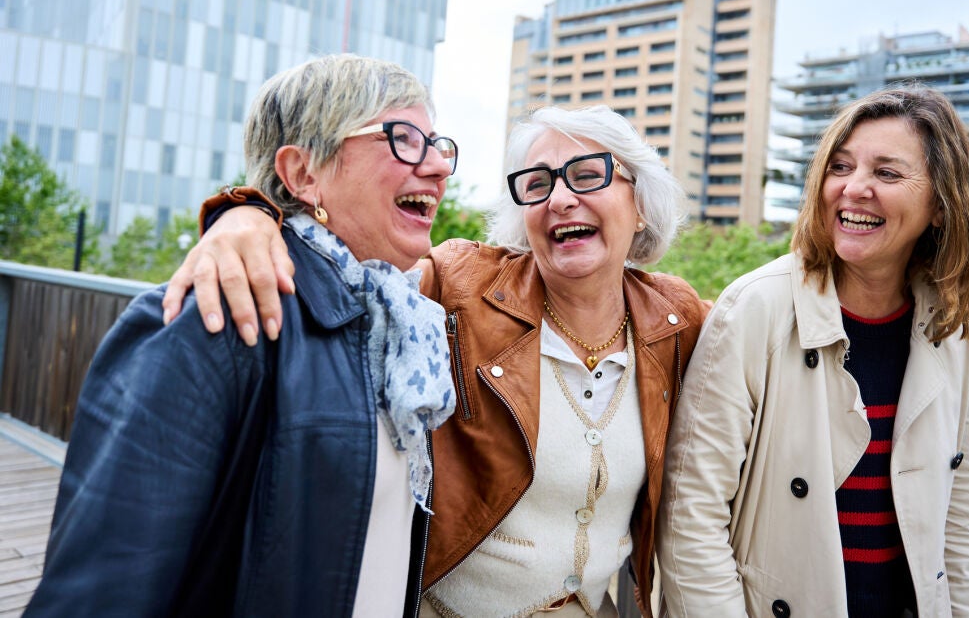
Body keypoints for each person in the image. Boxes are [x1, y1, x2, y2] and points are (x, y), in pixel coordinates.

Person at [163, 105, 708, 617]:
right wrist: (248, 215)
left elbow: (753, 329)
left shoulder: (674, 319)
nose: (560, 199)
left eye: (588, 175)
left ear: (640, 205)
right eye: (538, 184)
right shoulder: (459, 284)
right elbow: (344, 267)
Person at [27, 54, 458, 617]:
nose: (439, 167)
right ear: (303, 173)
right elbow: (99, 591)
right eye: (403, 140)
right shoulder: (212, 322)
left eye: (437, 145)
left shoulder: (402, 330)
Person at [657, 85, 969, 617]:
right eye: (840, 167)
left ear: (940, 205)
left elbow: (959, 515)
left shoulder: (960, 328)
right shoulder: (756, 308)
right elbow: (690, 516)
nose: (854, 188)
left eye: (887, 173)